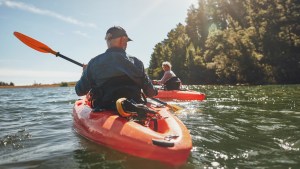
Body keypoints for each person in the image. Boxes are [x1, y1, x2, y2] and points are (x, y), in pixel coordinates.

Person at [75, 26, 157, 111]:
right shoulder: (137, 63)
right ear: (123, 40)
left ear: (108, 38)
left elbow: (80, 91)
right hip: (135, 109)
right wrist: (155, 91)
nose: (126, 44)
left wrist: (84, 72)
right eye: (126, 41)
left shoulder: (94, 63)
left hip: (105, 110)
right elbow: (150, 93)